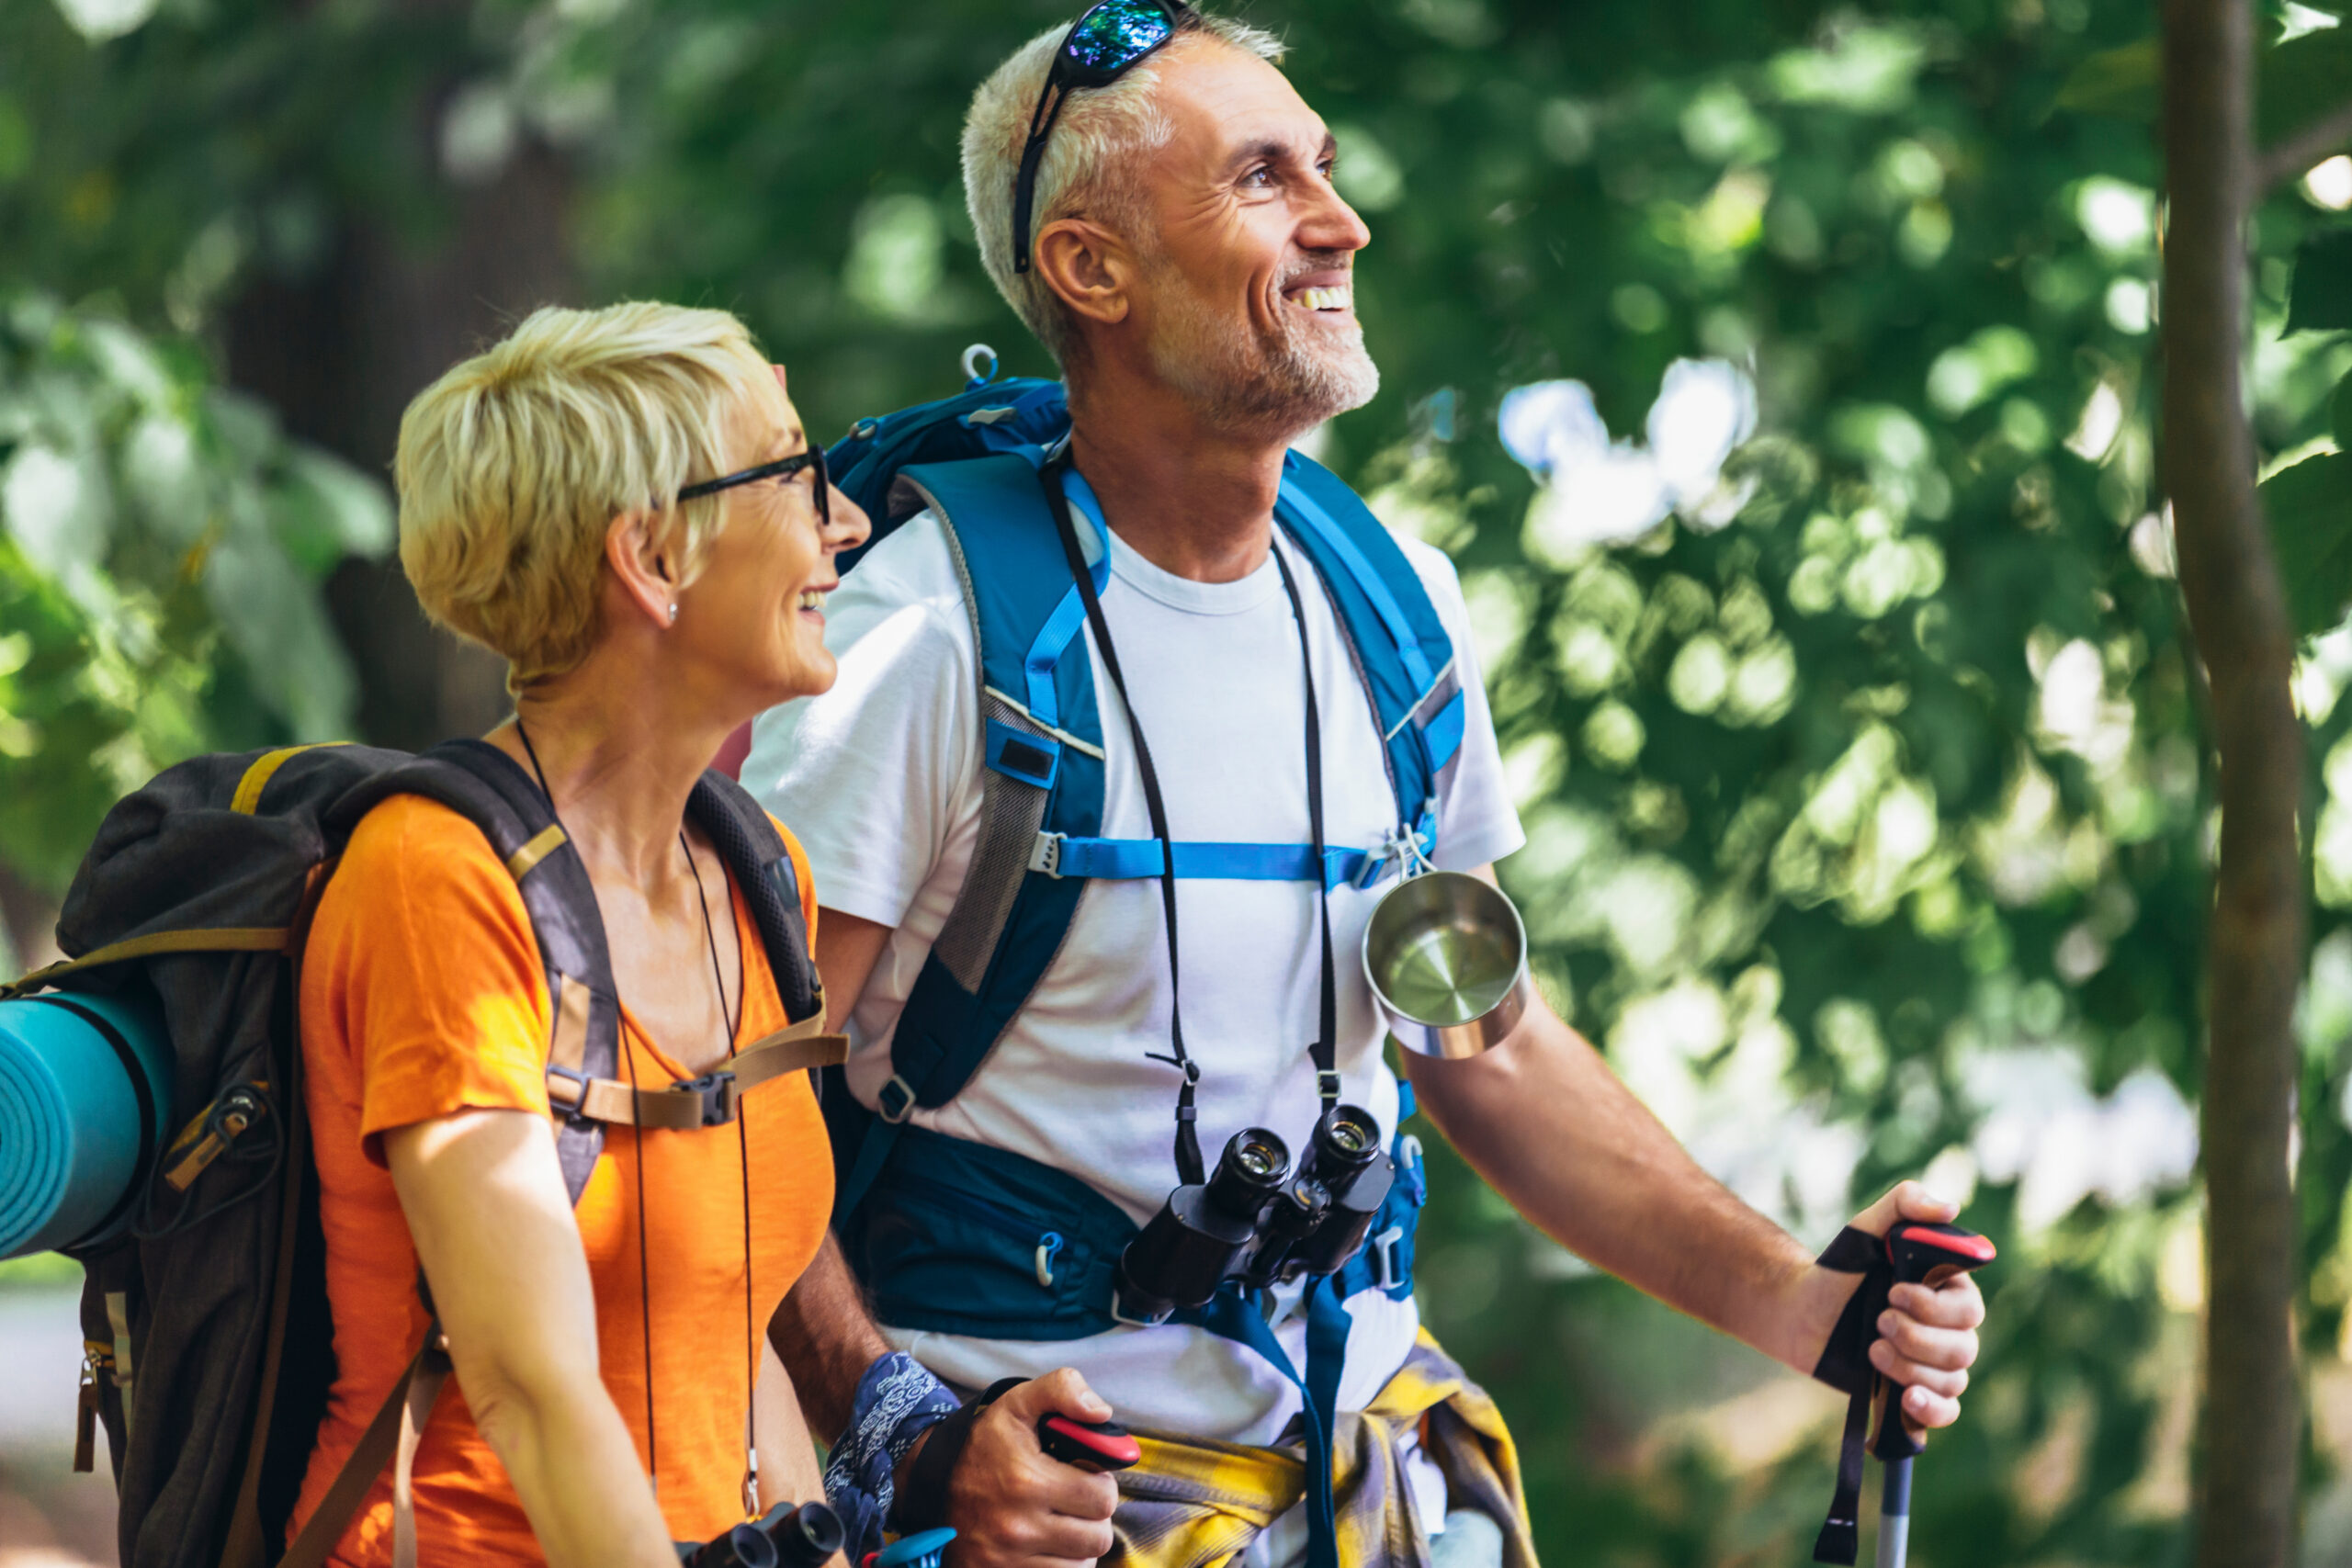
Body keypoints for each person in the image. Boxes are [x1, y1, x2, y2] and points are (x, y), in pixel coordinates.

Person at [745, 6, 1989, 1567]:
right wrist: (908, 1447)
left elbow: (1486, 1054)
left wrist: (1796, 1303)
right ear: (1090, 268)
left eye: (1324, 167)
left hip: (1381, 1484)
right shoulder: (928, 642)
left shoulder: (1393, 605)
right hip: (1056, 1514)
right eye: (1264, 178)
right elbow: (736, 1105)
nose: (1343, 223)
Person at [288, 301, 878, 1565]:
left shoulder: (756, 873)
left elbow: (736, 1344)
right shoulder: (439, 882)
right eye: (794, 476)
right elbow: (531, 1392)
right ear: (652, 557)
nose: (847, 523)